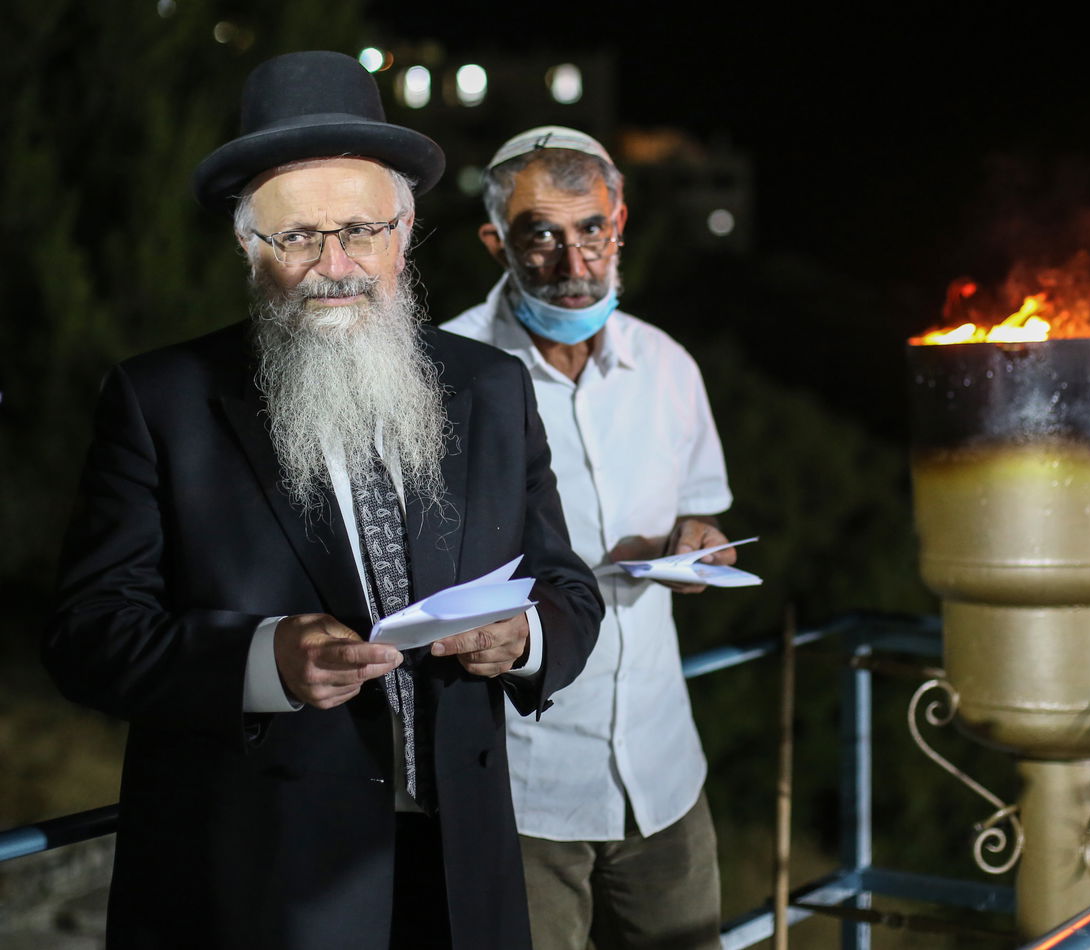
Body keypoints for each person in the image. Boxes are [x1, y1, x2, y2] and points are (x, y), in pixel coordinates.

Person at [42, 53, 602, 950]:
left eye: (360, 230)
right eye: (297, 236)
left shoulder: (492, 387)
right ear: (247, 247)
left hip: (462, 874)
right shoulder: (160, 401)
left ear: (404, 232)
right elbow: (89, 636)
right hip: (263, 887)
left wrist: (527, 636)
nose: (334, 266)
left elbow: (567, 588)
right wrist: (259, 658)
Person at [441, 126, 735, 950]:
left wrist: (697, 544)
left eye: (592, 230)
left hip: (664, 772)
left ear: (620, 224)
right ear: (496, 242)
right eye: (542, 236)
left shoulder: (669, 367)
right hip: (524, 785)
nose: (574, 264)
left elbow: (702, 513)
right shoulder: (448, 373)